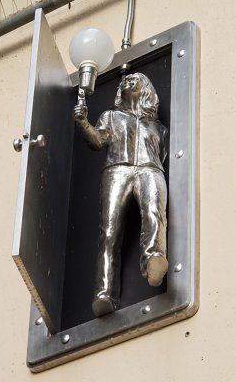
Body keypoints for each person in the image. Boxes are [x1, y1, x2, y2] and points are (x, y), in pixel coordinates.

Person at [73, 72, 168, 317]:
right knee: (110, 230)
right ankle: (104, 291)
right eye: (125, 80)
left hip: (150, 169)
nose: (127, 81)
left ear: (146, 87)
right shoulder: (111, 116)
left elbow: (164, 155)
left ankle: (153, 259)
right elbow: (96, 141)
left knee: (155, 212)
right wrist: (83, 122)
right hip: (117, 169)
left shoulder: (159, 128)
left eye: (134, 78)